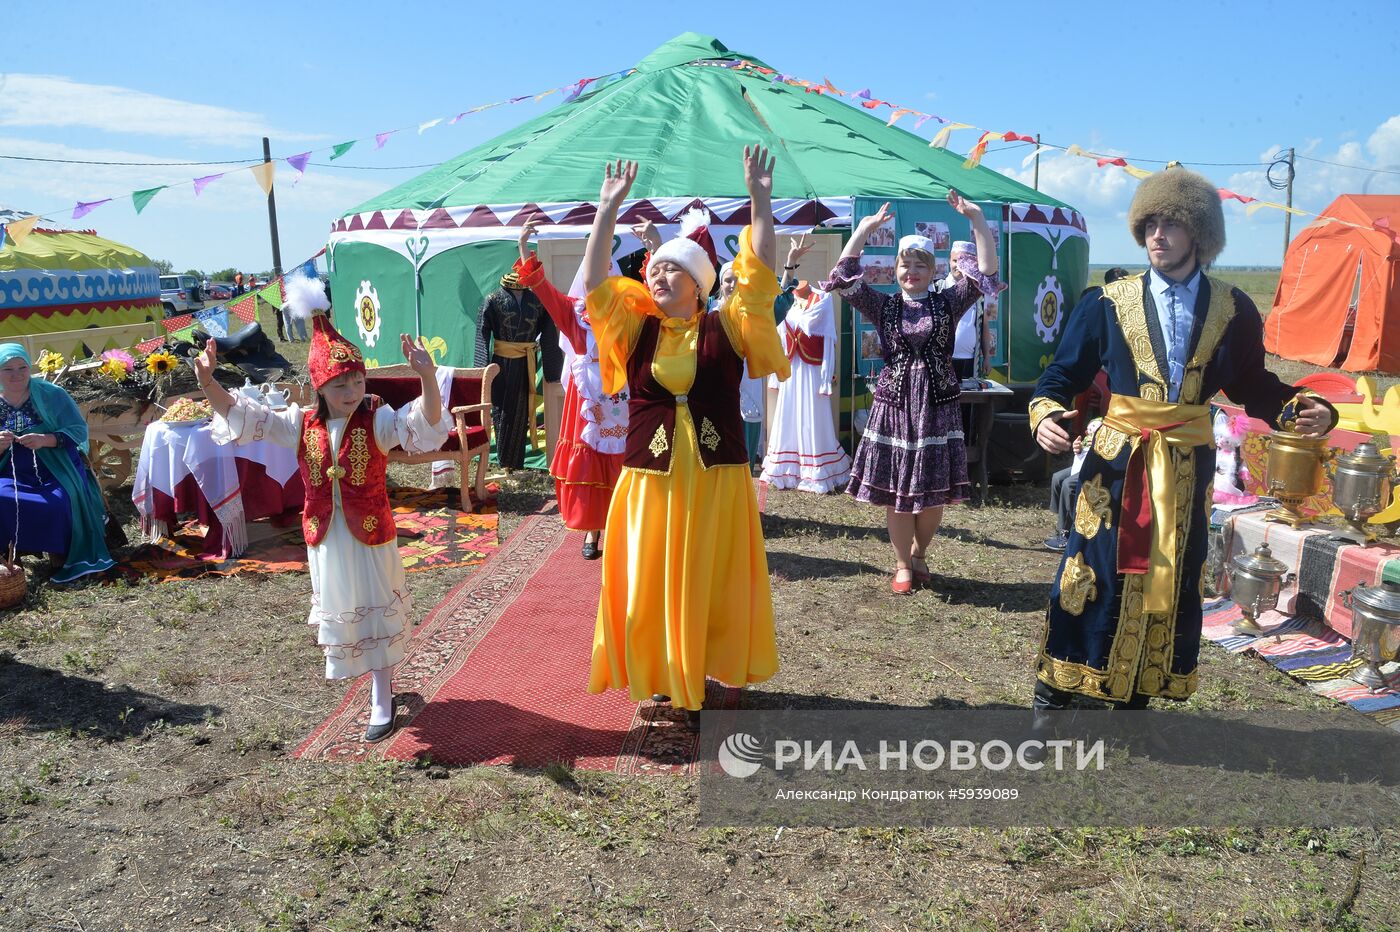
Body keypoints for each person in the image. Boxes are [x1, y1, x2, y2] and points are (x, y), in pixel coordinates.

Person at [1028, 167, 1336, 713]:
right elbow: (1060, 376)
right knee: (1092, 569)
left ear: (1201, 234)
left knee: (1170, 573)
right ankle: (1056, 690)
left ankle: (1137, 694)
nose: (1158, 235)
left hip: (1186, 465)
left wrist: (1301, 409)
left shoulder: (1233, 308)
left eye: (1171, 224)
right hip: (1117, 463)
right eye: (1150, 224)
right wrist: (1046, 412)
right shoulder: (1106, 301)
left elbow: (1252, 386)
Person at [582, 146, 789, 718]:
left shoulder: (730, 324)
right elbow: (597, 284)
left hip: (714, 481)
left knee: (709, 579)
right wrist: (606, 211)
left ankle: (701, 672)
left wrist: (761, 200)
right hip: (651, 481)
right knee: (650, 579)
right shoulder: (634, 329)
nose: (658, 274)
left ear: (699, 283)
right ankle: (659, 673)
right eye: (654, 270)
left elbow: (760, 273)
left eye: (672, 268)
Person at [194, 303, 448, 742]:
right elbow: (246, 418)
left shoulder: (378, 419)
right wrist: (207, 383)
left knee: (376, 614)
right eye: (341, 383)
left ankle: (381, 696)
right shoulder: (301, 424)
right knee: (347, 610)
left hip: (369, 537)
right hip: (327, 539)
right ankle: (373, 682)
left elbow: (424, 425)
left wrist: (427, 379)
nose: (352, 390)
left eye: (357, 380)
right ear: (320, 386)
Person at [829, 194, 1001, 594]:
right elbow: (842, 275)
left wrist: (976, 220)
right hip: (894, 406)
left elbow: (987, 273)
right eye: (905, 264)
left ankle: (921, 551)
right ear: (896, 269)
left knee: (933, 491)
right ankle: (903, 563)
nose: (912, 271)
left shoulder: (948, 302)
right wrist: (864, 229)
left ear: (932, 270)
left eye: (919, 265)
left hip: (938, 405)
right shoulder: (884, 306)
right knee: (897, 492)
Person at [513, 218, 628, 560]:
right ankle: (592, 532)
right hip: (587, 404)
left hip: (621, 400)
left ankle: (622, 528)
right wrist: (523, 249)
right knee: (591, 465)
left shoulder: (629, 314)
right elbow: (542, 289)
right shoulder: (574, 314)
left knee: (621, 465)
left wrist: (652, 247)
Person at [0, 344, 115, 583]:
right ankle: (10, 554)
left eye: (22, 367)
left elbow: (78, 431)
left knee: (59, 501)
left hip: (56, 466)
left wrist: (46, 439)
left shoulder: (51, 394)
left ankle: (61, 553)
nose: (17, 374)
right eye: (7, 369)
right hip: (11, 470)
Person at [760, 251, 853, 494]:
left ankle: (815, 467)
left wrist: (826, 376)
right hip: (791, 367)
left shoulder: (821, 299)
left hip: (812, 369)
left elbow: (823, 333)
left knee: (812, 414)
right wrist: (775, 372)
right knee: (788, 413)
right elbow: (778, 337)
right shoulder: (786, 299)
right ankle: (787, 466)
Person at [715, 239, 804, 469]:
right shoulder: (708, 312)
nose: (732, 285)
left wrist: (790, 264)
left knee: (744, 448)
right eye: (727, 280)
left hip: (747, 383)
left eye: (736, 280)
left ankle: (746, 492)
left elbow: (779, 303)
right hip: (716, 386)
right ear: (720, 284)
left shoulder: (754, 314)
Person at [475, 264, 563, 471]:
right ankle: (504, 460)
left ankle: (515, 462)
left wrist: (552, 370)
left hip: (525, 362)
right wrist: (482, 370)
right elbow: (481, 333)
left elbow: (550, 333)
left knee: (522, 409)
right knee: (501, 408)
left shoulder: (536, 301)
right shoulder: (493, 299)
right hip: (501, 364)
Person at [1044, 417, 1101, 552]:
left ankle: (1066, 533)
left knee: (1068, 485)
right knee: (1057, 478)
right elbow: (1081, 454)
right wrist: (1079, 448)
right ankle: (1061, 523)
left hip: (1097, 467)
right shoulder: (1094, 426)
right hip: (1081, 465)